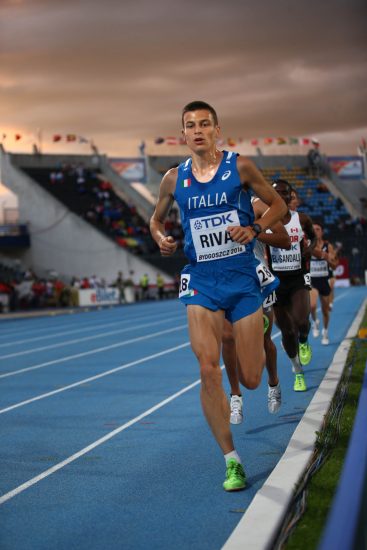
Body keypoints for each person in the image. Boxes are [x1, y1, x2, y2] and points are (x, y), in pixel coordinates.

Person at [150, 100, 286, 492]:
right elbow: (155, 219)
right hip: (201, 279)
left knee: (251, 378)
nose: (197, 130)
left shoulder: (239, 167)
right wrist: (162, 239)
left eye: (204, 124)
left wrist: (256, 228)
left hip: (242, 277)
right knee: (207, 367)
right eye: (190, 125)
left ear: (216, 130)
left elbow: (277, 205)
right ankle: (231, 460)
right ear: (182, 134)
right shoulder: (173, 179)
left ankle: (257, 327)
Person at [222, 197, 291, 423]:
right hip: (226, 278)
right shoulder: (207, 204)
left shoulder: (257, 205)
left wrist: (253, 231)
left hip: (255, 278)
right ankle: (235, 397)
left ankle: (273, 383)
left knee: (263, 338)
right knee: (228, 338)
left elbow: (284, 239)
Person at [267, 179, 316, 392]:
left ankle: (304, 339)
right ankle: (297, 371)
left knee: (301, 321)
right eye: (277, 193)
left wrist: (309, 249)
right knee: (287, 332)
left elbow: (314, 239)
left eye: (285, 193)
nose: (282, 196)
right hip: (276, 280)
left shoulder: (301, 219)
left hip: (297, 277)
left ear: (291, 195)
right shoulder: (265, 220)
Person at [309, 222, 338, 345]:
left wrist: (327, 259)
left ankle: (325, 333)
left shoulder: (328, 246)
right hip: (313, 280)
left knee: (326, 311)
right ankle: (315, 322)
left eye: (318, 229)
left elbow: (334, 266)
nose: (316, 231)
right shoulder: (308, 245)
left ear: (322, 232)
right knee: (312, 305)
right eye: (314, 229)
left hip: (324, 280)